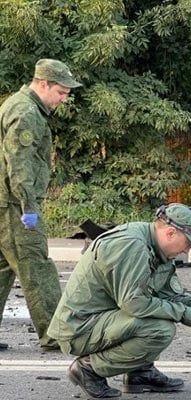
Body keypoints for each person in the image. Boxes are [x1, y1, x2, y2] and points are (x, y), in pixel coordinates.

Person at [47, 203, 191, 399]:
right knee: (160, 329)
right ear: (171, 233)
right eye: (188, 243)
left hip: (103, 320)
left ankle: (140, 373)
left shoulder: (157, 248)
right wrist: (188, 316)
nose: (187, 251)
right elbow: (134, 303)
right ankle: (88, 369)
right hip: (79, 328)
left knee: (160, 312)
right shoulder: (133, 245)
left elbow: (167, 295)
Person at [0, 58, 82, 351]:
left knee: (3, 268)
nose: (63, 99)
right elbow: (19, 165)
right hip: (14, 205)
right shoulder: (26, 113)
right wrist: (29, 208)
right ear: (43, 84)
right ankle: (55, 334)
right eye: (61, 92)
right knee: (36, 267)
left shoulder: (20, 105)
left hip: (5, 202)